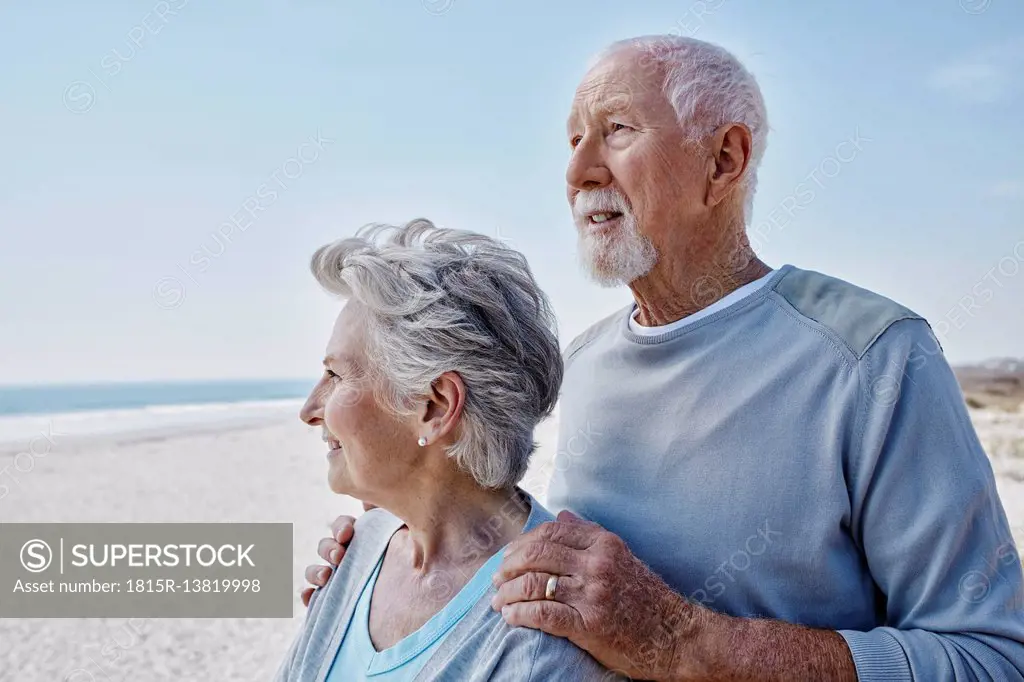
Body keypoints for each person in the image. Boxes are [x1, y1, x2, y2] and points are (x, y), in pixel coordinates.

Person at [304, 36, 1024, 681]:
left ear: (724, 160)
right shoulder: (581, 366)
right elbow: (517, 549)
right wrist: (392, 566)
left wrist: (694, 646)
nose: (578, 170)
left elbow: (991, 659)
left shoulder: (873, 358)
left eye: (616, 131)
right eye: (574, 139)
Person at [275, 219, 617, 681]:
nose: (310, 409)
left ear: (436, 407)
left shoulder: (537, 636)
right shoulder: (360, 547)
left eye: (336, 376)